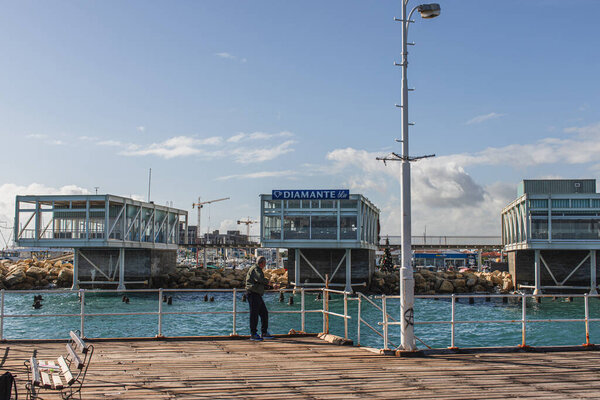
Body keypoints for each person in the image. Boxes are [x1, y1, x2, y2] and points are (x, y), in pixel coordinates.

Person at [245, 256, 275, 341]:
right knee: (254, 315)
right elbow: (259, 279)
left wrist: (269, 286)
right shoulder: (256, 269)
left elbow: (260, 283)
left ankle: (264, 332)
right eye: (265, 263)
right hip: (253, 294)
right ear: (261, 263)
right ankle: (253, 334)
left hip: (257, 294)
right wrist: (269, 282)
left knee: (264, 313)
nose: (265, 265)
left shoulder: (257, 269)